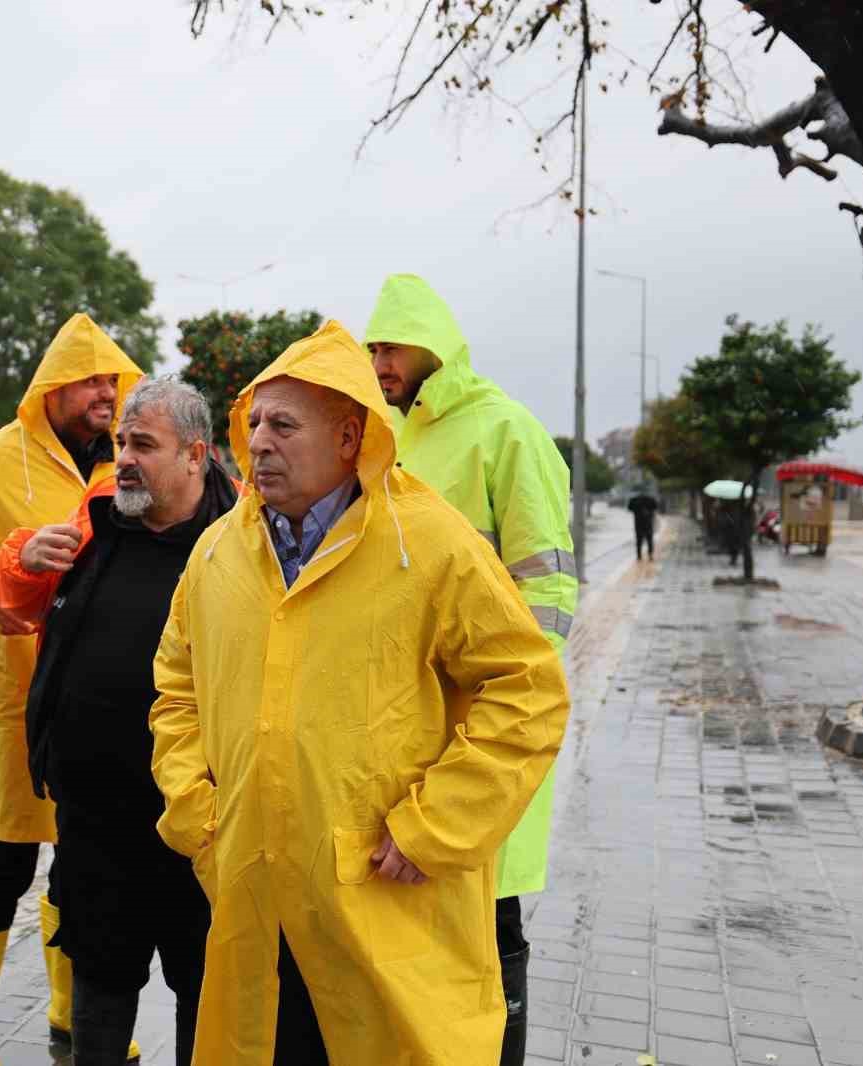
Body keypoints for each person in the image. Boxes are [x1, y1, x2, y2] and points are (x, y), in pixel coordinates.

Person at [149, 322, 570, 1065]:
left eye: (284, 426)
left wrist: (435, 825)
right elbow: (176, 687)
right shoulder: (218, 551)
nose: (260, 442)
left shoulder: (429, 543)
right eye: (254, 423)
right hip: (253, 892)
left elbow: (528, 688)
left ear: (351, 437)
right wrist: (197, 813)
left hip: (380, 897)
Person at [0, 313, 144, 1064]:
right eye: (91, 381)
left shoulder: (129, 460)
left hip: (107, 699)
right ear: (52, 389)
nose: (106, 393)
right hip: (22, 696)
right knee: (10, 860)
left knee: (82, 859)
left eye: (113, 379)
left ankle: (70, 1007)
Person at [0, 379, 240, 1066]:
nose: (124, 458)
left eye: (144, 445)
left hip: (202, 818)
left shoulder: (243, 535)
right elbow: (19, 604)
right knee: (98, 983)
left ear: (196, 455)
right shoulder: (98, 514)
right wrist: (24, 562)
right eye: (122, 442)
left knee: (205, 986)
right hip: (95, 817)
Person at [363, 273, 577, 1064]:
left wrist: (508, 699)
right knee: (421, 928)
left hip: (485, 726)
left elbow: (548, 587)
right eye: (372, 349)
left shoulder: (506, 431)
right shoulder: (390, 437)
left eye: (391, 347)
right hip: (403, 720)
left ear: (433, 346)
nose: (379, 364)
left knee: (491, 922)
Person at [628, 490, 660, 560]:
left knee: (639, 540)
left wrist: (637, 511)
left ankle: (639, 555)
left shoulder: (634, 500)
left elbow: (629, 508)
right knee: (649, 539)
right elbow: (655, 507)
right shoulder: (650, 499)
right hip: (648, 522)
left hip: (638, 523)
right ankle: (650, 554)